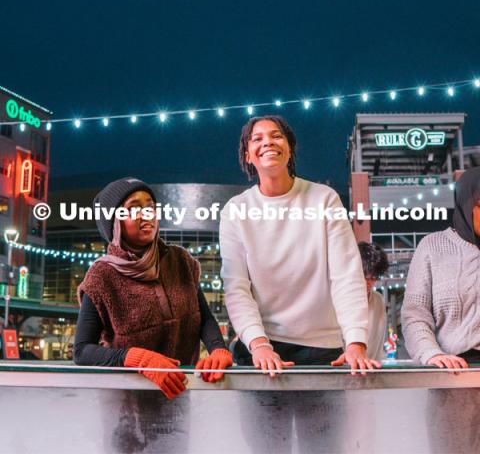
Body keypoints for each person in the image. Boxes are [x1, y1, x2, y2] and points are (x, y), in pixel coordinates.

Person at [220, 115, 381, 375]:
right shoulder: (235, 211)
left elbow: (346, 275)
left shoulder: (324, 199)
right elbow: (236, 286)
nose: (267, 142)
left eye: (276, 135)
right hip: (261, 346)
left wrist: (355, 342)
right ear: (247, 155)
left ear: (290, 148)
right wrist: (258, 343)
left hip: (322, 347)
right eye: (257, 138)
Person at [74, 177, 233, 399]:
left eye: (150, 207)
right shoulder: (102, 276)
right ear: (115, 223)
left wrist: (218, 349)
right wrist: (136, 358)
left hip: (180, 394)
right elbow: (82, 351)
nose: (147, 214)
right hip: (126, 403)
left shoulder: (180, 261)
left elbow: (204, 318)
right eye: (134, 209)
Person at [401, 167, 480, 368]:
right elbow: (415, 314)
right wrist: (430, 353)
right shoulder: (433, 246)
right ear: (466, 204)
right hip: (452, 371)